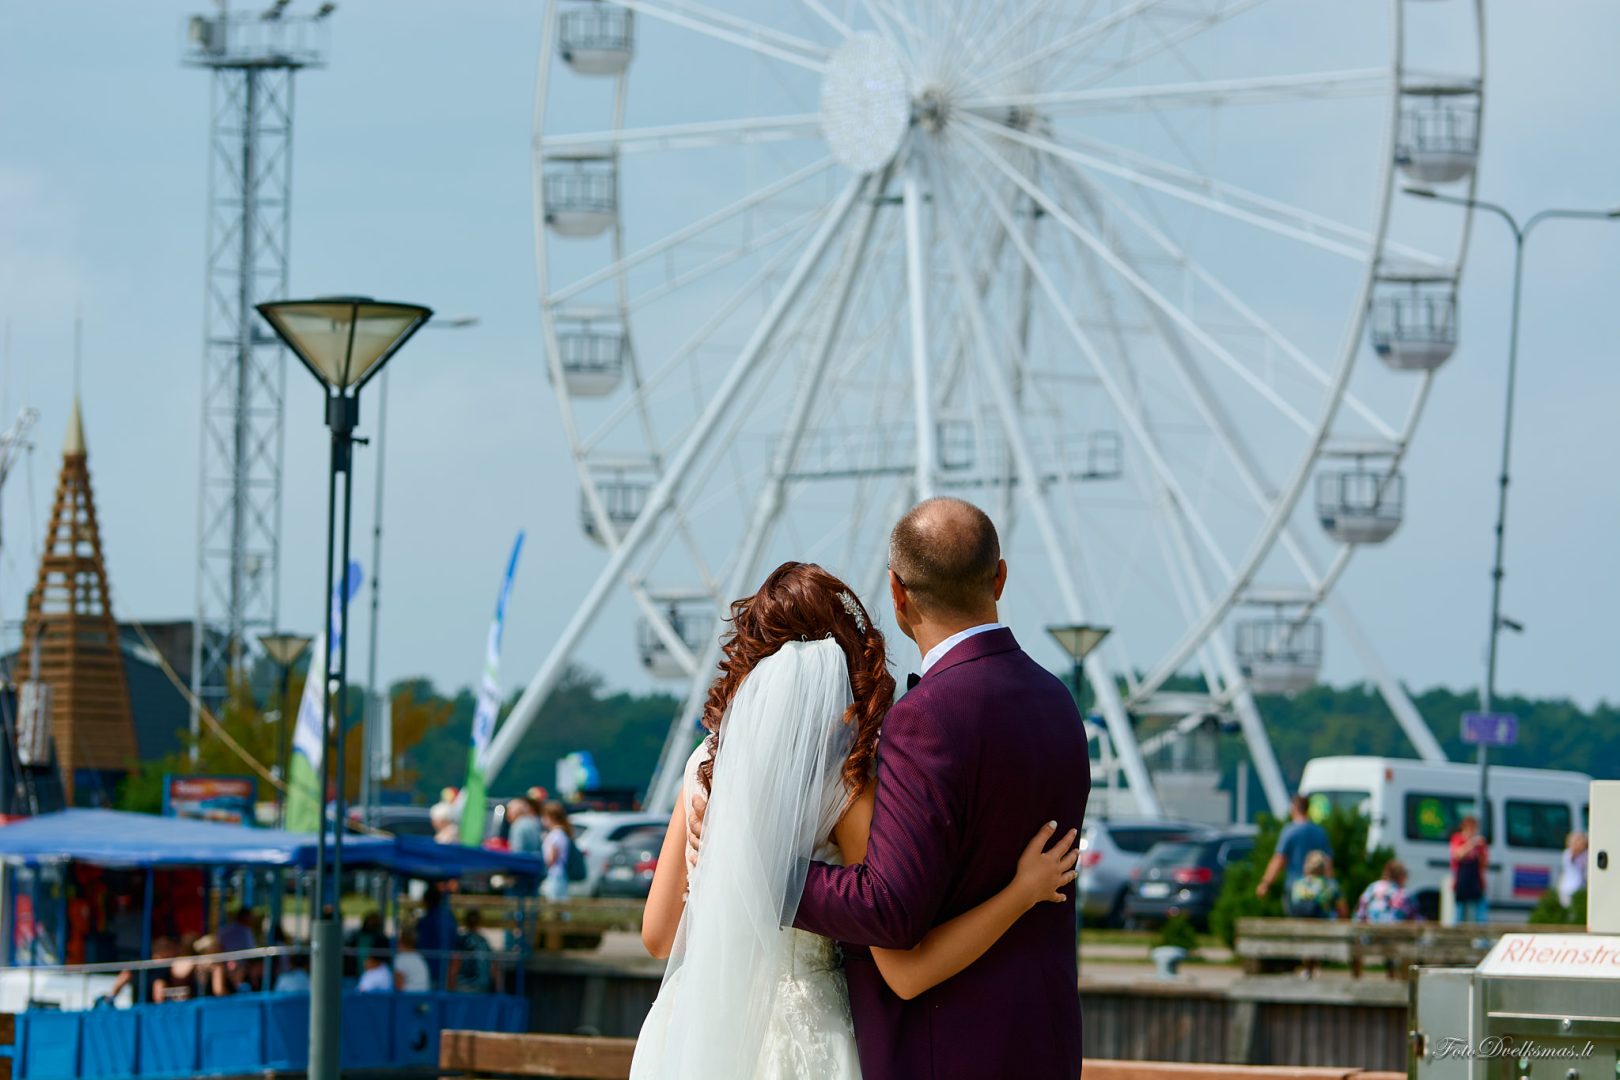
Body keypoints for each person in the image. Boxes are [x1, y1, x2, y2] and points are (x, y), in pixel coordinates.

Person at [637, 500, 1085, 1080]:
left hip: (698, 1038)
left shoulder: (705, 766)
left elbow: (659, 937)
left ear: (897, 593)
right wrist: (1023, 892)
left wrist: (742, 870)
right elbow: (899, 943)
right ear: (999, 576)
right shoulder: (1058, 702)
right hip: (1041, 1038)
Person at [1256, 794, 1334, 914]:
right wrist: (1330, 886)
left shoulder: (1289, 831)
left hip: (1294, 888)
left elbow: (1279, 859)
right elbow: (1328, 862)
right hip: (1318, 889)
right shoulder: (1319, 832)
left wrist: (1265, 883)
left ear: (1294, 808)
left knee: (1295, 922)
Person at [1449, 814, 1489, 923]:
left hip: (1476, 881)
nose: (1472, 831)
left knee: (1481, 915)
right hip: (1461, 881)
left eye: (1474, 829)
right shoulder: (1457, 839)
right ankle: (1455, 932)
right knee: (1458, 913)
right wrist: (1471, 844)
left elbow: (1484, 864)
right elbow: (1457, 855)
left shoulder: (1479, 844)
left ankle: (1481, 933)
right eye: (1470, 828)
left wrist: (1481, 851)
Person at [539, 801, 576, 901]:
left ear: (551, 817)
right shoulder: (562, 833)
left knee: (554, 903)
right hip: (560, 874)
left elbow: (552, 857)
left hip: (554, 874)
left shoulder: (555, 834)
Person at [449, 910, 494, 993]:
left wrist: (450, 987)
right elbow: (493, 967)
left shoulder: (462, 940)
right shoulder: (483, 942)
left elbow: (455, 965)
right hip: (481, 987)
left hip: (464, 987)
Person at [393, 925, 431, 992]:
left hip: (410, 996)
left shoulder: (400, 958)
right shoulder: (419, 957)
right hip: (424, 995)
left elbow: (398, 986)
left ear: (401, 942)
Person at [1559, 832, 1588, 907]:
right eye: (1578, 840)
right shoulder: (1568, 853)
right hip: (1568, 890)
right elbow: (1573, 854)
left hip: (1580, 889)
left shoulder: (1585, 854)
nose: (1581, 842)